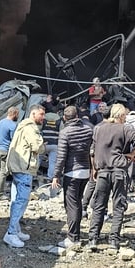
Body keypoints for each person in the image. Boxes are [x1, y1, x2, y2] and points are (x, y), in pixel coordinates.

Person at [87, 103, 135, 250]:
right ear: (122, 115)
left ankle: (93, 238)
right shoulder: (125, 128)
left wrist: (94, 168)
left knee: (99, 205)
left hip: (103, 171)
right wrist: (132, 155)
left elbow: (92, 150)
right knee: (118, 206)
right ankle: (114, 240)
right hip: (119, 170)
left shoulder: (99, 128)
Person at [4, 104, 46, 248]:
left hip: (17, 167)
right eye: (41, 114)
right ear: (33, 113)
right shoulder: (31, 128)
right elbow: (38, 147)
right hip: (24, 168)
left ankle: (15, 229)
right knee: (21, 201)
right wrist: (42, 144)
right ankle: (11, 234)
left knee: (16, 199)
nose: (43, 117)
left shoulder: (22, 126)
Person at [51, 106, 94, 248]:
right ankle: (76, 233)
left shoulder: (65, 132)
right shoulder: (88, 129)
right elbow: (91, 150)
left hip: (72, 172)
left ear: (64, 118)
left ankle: (73, 237)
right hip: (85, 170)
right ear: (78, 116)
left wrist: (56, 175)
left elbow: (61, 156)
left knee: (72, 204)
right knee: (78, 202)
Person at [0, 106, 20, 200]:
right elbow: (14, 140)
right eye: (18, 114)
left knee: (0, 171)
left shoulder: (0, 123)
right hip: (6, 150)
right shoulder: (12, 125)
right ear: (15, 114)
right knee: (4, 172)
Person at [41, 109, 62, 181]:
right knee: (52, 162)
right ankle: (50, 178)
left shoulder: (43, 119)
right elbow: (62, 132)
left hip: (44, 144)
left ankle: (33, 175)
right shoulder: (59, 120)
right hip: (54, 144)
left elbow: (39, 130)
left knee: (37, 159)